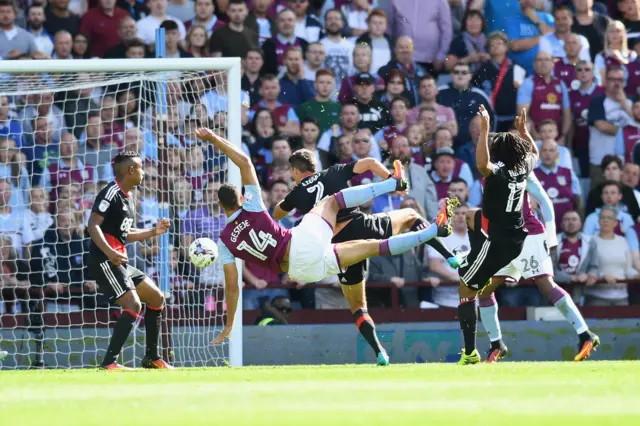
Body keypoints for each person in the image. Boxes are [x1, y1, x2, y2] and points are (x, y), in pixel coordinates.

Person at [195, 128, 456, 355]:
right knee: (339, 205)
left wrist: (229, 324)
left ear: (220, 205)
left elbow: (232, 287)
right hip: (313, 239)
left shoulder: (224, 243)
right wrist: (215, 139)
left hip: (302, 270)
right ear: (242, 199)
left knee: (358, 301)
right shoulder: (254, 205)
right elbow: (246, 164)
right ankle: (407, 203)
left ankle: (380, 352)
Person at [272, 149, 460, 365]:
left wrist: (291, 198)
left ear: (295, 170)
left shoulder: (296, 193)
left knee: (358, 307)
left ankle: (380, 352)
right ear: (315, 166)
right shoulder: (333, 172)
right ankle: (449, 255)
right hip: (361, 225)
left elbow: (277, 213)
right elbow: (370, 162)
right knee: (411, 215)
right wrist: (390, 178)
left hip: (339, 249)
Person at [455, 107, 538, 365]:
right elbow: (534, 152)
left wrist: (484, 129)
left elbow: (482, 164)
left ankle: (469, 352)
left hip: (498, 242)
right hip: (513, 235)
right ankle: (474, 260)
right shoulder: (523, 166)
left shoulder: (499, 174)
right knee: (470, 215)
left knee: (465, 288)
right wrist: (524, 133)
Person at [86, 151, 172, 370]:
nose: (144, 172)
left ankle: (152, 358)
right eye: (142, 167)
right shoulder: (111, 192)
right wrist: (109, 252)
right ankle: (109, 363)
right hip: (105, 260)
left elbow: (126, 234)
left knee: (156, 297)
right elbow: (92, 224)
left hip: (118, 260)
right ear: (131, 170)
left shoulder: (129, 197)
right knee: (133, 304)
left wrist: (154, 231)